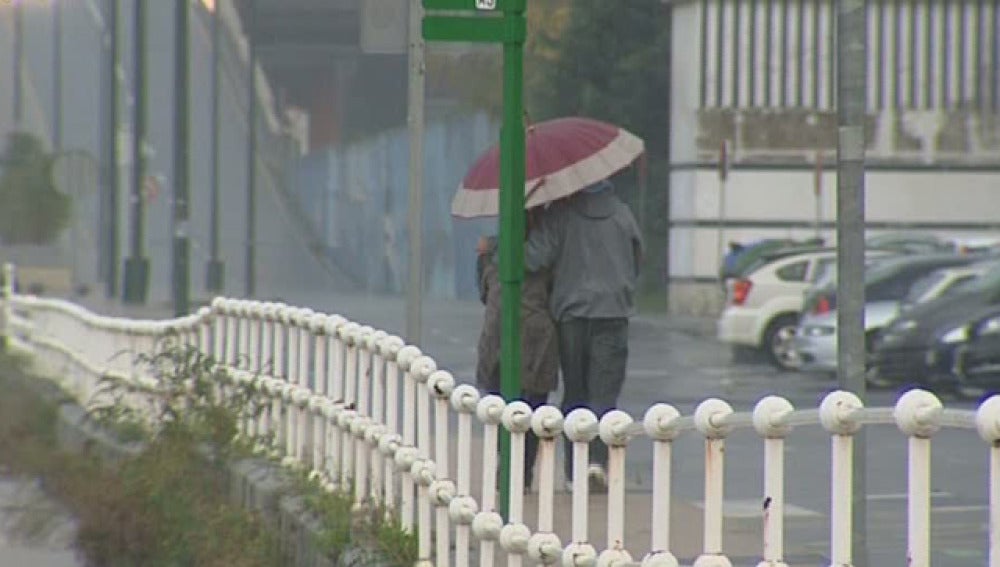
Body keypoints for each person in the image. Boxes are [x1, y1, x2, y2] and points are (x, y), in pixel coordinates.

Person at [524, 179, 643, 491]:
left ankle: (574, 469)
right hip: (614, 313)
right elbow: (637, 259)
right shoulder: (622, 214)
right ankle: (597, 464)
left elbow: (534, 259)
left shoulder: (560, 215)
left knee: (575, 393)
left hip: (571, 316)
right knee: (604, 395)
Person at [475, 211, 559, 493]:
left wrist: (484, 256)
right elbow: (555, 293)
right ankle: (523, 473)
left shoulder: (494, 254)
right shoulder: (549, 253)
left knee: (500, 404)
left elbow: (484, 292)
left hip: (500, 333)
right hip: (537, 337)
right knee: (533, 407)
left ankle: (506, 465)